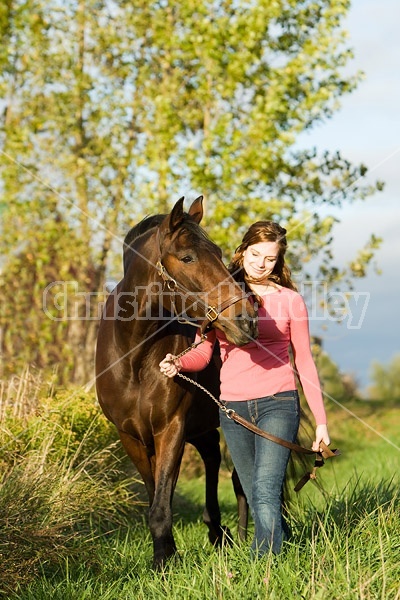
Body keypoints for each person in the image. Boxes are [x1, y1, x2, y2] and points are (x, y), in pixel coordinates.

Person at [159, 221, 330, 556]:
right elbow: (203, 351)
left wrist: (321, 421)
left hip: (278, 403)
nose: (261, 263)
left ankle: (264, 568)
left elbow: (305, 362)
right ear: (243, 250)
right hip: (233, 408)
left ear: (278, 261)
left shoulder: (290, 301)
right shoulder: (221, 294)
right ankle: (280, 548)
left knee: (265, 490)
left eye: (270, 258)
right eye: (255, 254)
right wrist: (178, 363)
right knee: (255, 493)